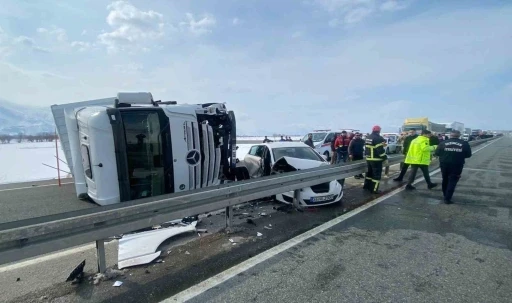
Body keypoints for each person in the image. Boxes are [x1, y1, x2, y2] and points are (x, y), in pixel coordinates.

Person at [435, 130, 472, 204]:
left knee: (445, 179)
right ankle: (447, 198)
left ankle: (445, 195)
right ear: (459, 135)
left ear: (450, 135)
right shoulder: (464, 143)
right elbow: (468, 155)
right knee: (453, 181)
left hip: (444, 164)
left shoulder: (443, 143)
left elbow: (437, 153)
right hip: (457, 165)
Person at [363, 125, 387, 193]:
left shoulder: (368, 137)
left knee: (369, 174)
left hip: (369, 159)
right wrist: (385, 157)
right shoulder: (378, 138)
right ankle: (374, 189)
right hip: (376, 160)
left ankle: (366, 186)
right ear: (379, 131)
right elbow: (380, 150)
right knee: (376, 175)